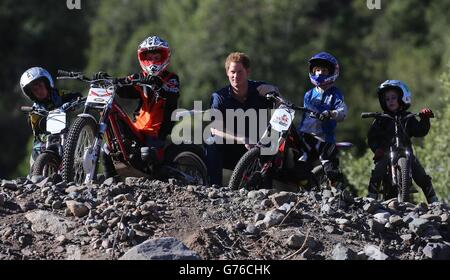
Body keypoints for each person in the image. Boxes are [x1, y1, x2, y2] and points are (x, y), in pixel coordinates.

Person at [94, 36, 180, 178]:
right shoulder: (139, 77)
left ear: (164, 57)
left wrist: (156, 83)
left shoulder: (171, 78)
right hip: (137, 129)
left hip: (157, 133)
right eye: (150, 57)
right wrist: (107, 79)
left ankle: (161, 180)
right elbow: (122, 86)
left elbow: (171, 93)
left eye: (157, 57)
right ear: (143, 58)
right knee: (107, 149)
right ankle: (110, 182)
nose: (153, 61)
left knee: (148, 154)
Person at [205, 52, 279, 187]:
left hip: (257, 150)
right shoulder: (219, 97)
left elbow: (283, 107)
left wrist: (275, 90)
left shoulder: (261, 90)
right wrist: (241, 138)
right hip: (231, 150)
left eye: (240, 72)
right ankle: (213, 187)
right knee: (212, 140)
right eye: (232, 72)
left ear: (248, 72)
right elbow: (215, 129)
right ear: (227, 72)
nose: (236, 76)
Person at [367, 80, 438, 203]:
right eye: (387, 99)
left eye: (393, 98)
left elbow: (420, 131)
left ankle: (434, 201)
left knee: (421, 175)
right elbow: (372, 137)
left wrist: (425, 119)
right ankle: (370, 198)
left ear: (402, 97)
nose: (390, 101)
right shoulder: (381, 119)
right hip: (385, 153)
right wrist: (377, 149)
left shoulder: (408, 117)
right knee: (378, 170)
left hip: (407, 152)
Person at [296, 52, 348, 187]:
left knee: (330, 169)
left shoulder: (335, 94)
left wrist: (331, 113)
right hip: (307, 136)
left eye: (324, 70)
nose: (319, 73)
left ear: (332, 72)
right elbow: (307, 112)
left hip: (325, 138)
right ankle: (307, 189)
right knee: (299, 168)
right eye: (317, 70)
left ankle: (340, 193)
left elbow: (343, 111)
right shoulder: (308, 94)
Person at [19, 67, 82, 170]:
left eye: (40, 86)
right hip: (44, 140)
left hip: (65, 134)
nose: (39, 90)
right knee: (35, 154)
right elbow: (37, 130)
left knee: (79, 148)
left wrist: (73, 103)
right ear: (31, 94)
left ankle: (82, 171)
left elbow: (77, 96)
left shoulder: (60, 94)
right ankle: (35, 176)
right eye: (35, 89)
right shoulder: (34, 110)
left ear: (47, 84)